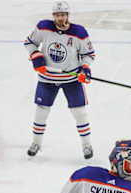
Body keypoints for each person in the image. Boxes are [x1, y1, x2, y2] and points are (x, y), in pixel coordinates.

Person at [24, 1, 96, 159]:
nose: (60, 18)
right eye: (57, 15)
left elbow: (89, 54)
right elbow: (29, 42)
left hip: (71, 79)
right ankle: (36, 143)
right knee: (41, 112)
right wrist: (36, 56)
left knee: (80, 113)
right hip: (47, 78)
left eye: (63, 15)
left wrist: (85, 69)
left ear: (67, 15)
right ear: (53, 16)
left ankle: (87, 146)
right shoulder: (43, 27)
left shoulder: (79, 32)